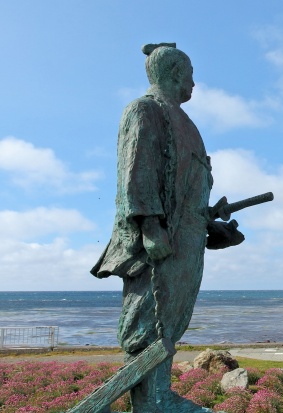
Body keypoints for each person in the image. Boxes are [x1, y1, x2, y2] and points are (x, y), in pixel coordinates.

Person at [91, 43, 245, 411]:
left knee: (171, 322)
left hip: (186, 241)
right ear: (175, 72)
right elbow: (136, 171)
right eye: (191, 74)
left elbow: (183, 191)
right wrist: (149, 226)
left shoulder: (186, 124)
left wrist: (209, 221)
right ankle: (152, 401)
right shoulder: (145, 110)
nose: (194, 82)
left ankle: (157, 395)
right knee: (148, 322)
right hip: (160, 242)